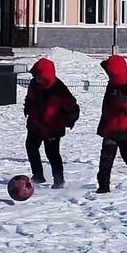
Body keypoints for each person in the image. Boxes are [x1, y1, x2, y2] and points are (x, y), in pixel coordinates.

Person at [24, 58, 79, 189]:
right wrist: (27, 107)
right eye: (36, 77)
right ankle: (38, 175)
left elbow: (72, 106)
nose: (37, 80)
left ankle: (58, 180)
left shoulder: (58, 89)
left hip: (53, 127)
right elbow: (30, 98)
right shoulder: (34, 84)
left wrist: (71, 118)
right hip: (35, 124)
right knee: (31, 147)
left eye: (40, 77)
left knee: (52, 153)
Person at [96, 55, 127, 194]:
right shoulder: (112, 84)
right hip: (111, 128)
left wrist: (118, 97)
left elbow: (125, 106)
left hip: (126, 130)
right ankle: (103, 186)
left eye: (110, 72)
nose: (108, 75)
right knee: (106, 158)